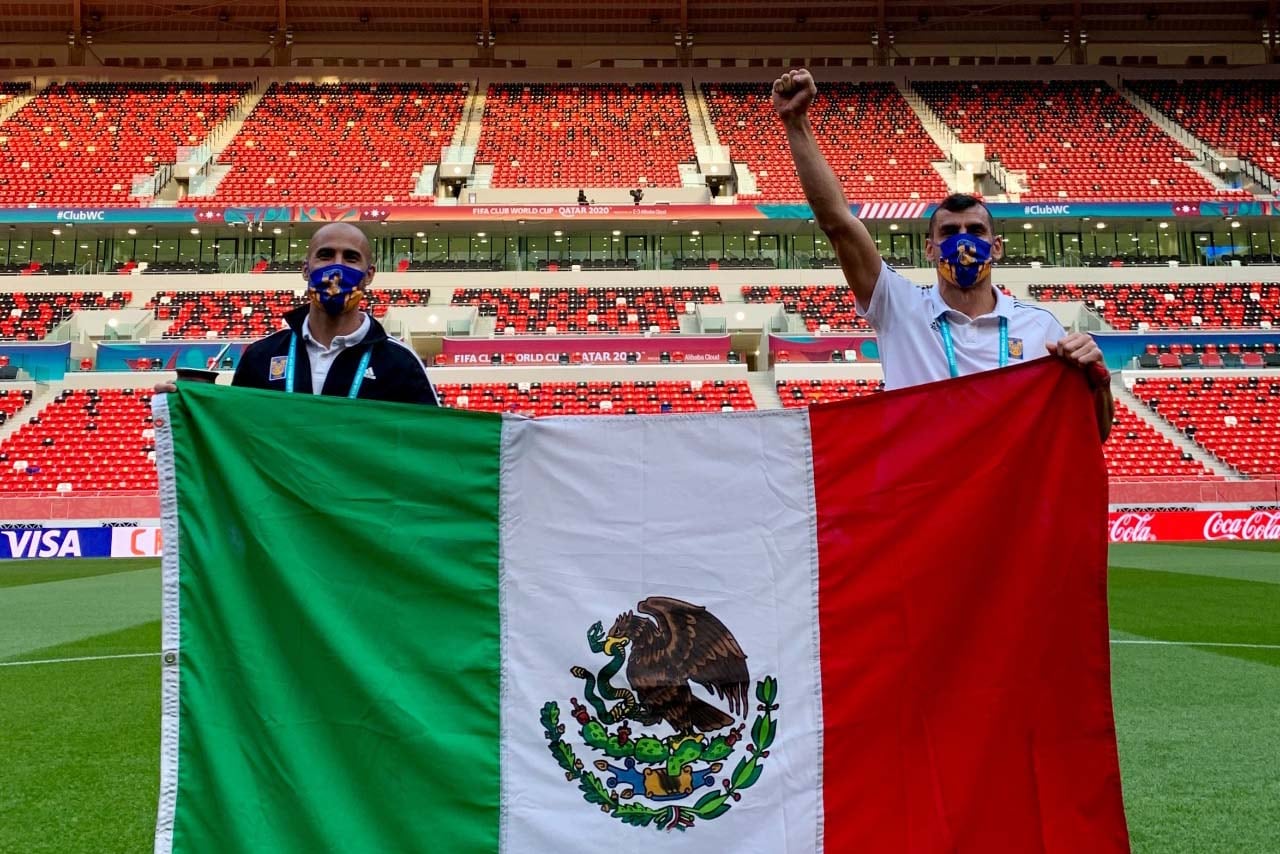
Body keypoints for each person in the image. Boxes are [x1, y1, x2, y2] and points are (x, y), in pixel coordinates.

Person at [773, 68, 1112, 439]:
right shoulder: (898, 308)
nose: (963, 242)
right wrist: (796, 122)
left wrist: (1099, 384)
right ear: (929, 249)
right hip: (926, 478)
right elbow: (837, 223)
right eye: (949, 232)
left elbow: (1092, 434)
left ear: (997, 247)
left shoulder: (1040, 327)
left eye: (975, 231)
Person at [156, 222, 438, 405]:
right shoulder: (260, 356)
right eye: (325, 255)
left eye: (351, 258)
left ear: (369, 274)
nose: (337, 268)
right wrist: (187, 405)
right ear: (305, 269)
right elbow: (236, 436)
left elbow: (431, 446)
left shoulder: (401, 363)